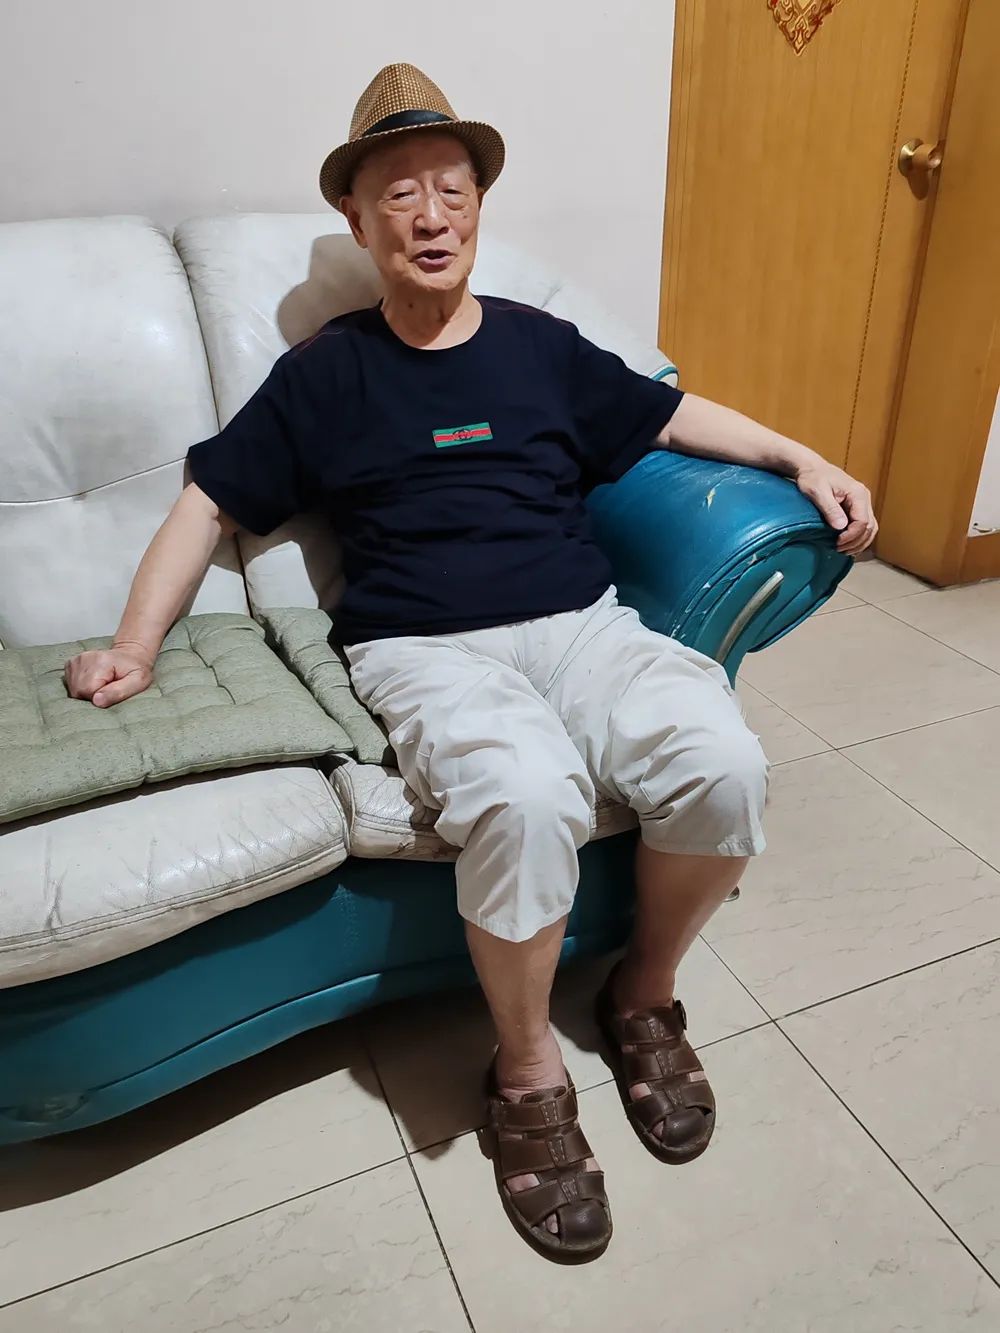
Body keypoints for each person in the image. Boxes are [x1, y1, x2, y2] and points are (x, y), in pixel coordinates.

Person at [64, 63, 877, 1261]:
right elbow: (209, 500)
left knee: (723, 761)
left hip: (582, 625)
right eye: (399, 193)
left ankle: (643, 992)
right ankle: (527, 1067)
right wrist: (135, 646)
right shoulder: (325, 373)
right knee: (525, 795)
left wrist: (802, 457)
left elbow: (666, 413)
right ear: (358, 220)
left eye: (451, 189)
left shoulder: (540, 346)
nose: (430, 215)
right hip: (425, 649)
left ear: (479, 208)